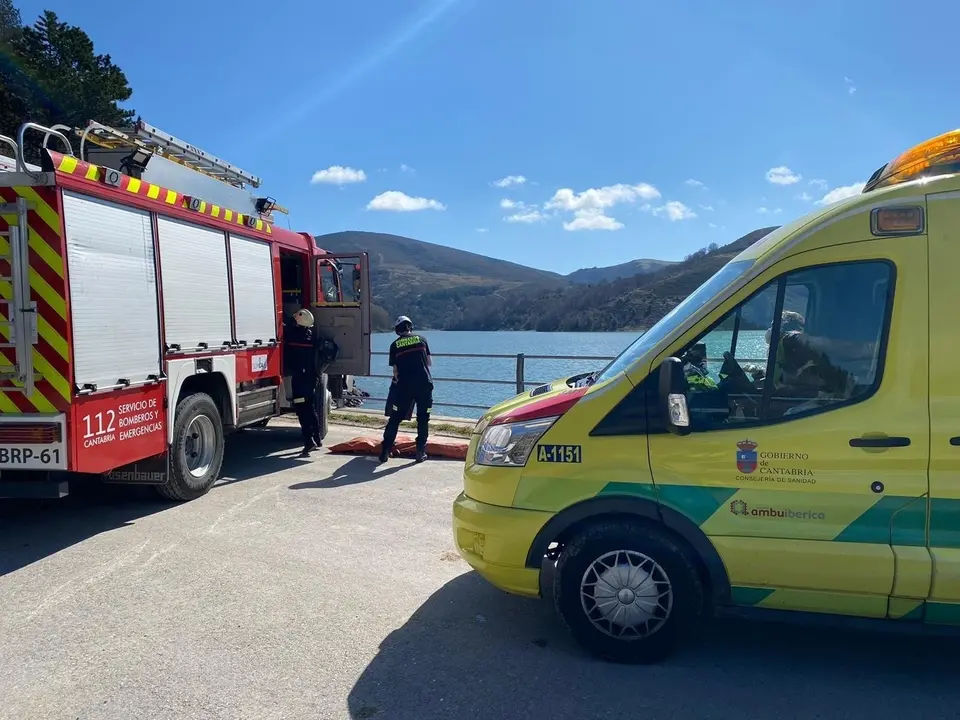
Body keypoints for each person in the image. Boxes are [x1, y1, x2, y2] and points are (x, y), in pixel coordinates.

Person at [379, 315, 433, 464]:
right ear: (410, 327)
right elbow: (429, 362)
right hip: (424, 384)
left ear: (397, 330)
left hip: (405, 387)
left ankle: (385, 451)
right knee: (423, 418)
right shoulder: (422, 339)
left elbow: (395, 371)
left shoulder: (394, 345)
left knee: (395, 418)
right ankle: (420, 452)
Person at [284, 308, 325, 454]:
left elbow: (286, 330)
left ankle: (309, 441)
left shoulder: (294, 336)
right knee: (310, 407)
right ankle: (317, 437)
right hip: (311, 378)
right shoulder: (311, 336)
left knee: (302, 410)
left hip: (300, 379)